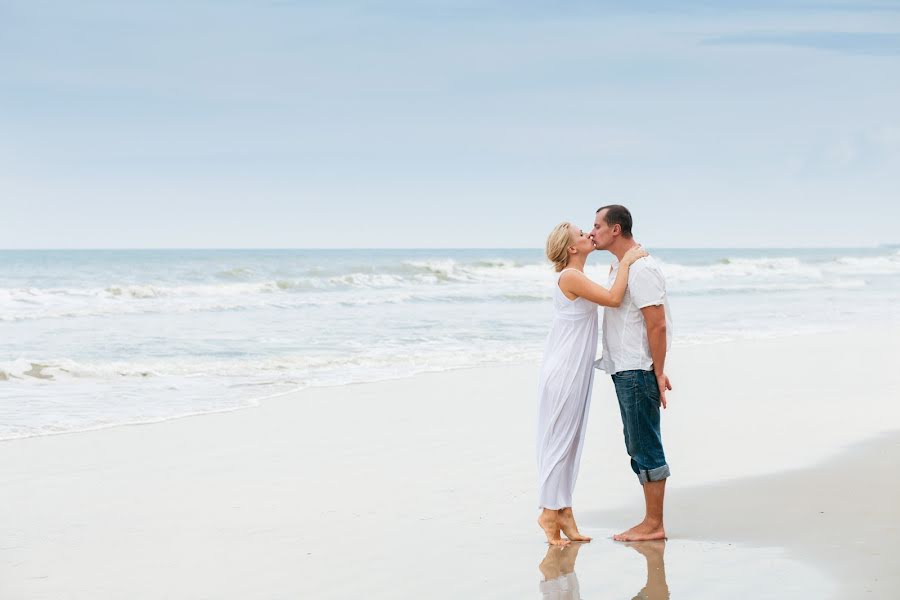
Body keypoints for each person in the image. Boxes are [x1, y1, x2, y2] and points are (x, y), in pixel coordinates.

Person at [537, 222, 648, 546]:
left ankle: (565, 511)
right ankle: (548, 512)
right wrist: (627, 260)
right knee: (559, 442)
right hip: (564, 370)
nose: (589, 235)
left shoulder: (579, 277)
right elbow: (614, 299)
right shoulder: (570, 277)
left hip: (575, 368)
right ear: (572, 248)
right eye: (582, 234)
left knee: (571, 440)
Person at [590, 205, 673, 542]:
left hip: (637, 369)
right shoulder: (621, 267)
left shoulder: (641, 270)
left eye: (597, 226)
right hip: (625, 368)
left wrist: (658, 371)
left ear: (616, 229)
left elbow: (657, 324)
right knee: (635, 444)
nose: (591, 231)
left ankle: (654, 524)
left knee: (646, 446)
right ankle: (650, 521)